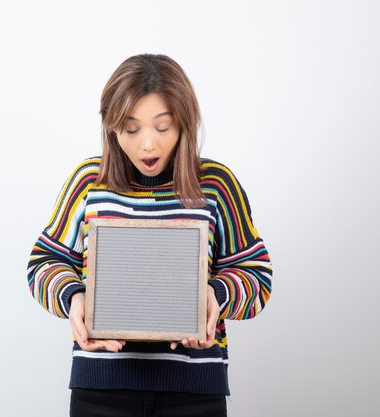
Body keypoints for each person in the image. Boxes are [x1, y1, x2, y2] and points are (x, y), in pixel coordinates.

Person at [26, 54, 272, 417]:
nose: (147, 145)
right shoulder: (88, 182)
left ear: (184, 124)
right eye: (131, 129)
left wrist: (214, 295)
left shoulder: (216, 185)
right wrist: (73, 297)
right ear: (111, 127)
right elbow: (43, 263)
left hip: (194, 392)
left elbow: (257, 275)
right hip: (101, 388)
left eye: (162, 127)